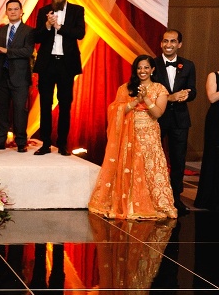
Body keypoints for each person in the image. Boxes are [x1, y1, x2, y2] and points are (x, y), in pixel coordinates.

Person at [88, 55, 177, 219]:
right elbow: (116, 110)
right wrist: (136, 100)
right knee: (130, 165)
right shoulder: (125, 88)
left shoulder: (159, 89)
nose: (142, 71)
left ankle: (157, 204)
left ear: (152, 69)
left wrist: (146, 99)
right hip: (130, 134)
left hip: (149, 133)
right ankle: (128, 204)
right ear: (135, 70)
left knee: (150, 168)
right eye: (139, 68)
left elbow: (158, 113)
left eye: (146, 67)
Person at [33, 0, 86, 156]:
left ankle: (62, 144)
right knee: (45, 104)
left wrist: (59, 27)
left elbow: (80, 33)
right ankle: (46, 143)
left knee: (65, 105)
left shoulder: (77, 10)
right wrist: (48, 25)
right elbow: (36, 37)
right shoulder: (43, 11)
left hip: (66, 65)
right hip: (47, 65)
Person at [153, 29, 196, 213]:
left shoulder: (188, 65)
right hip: (157, 118)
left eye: (172, 41)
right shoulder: (152, 64)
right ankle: (153, 197)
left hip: (180, 119)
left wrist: (186, 95)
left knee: (178, 160)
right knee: (154, 159)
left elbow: (193, 91)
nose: (168, 45)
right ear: (161, 43)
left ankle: (176, 198)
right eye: (165, 41)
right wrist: (170, 97)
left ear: (179, 44)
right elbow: (149, 91)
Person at [0, 0, 35, 153]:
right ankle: (0, 140)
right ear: (6, 12)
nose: (13, 11)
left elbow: (27, 52)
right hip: (1, 76)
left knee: (19, 110)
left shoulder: (28, 31)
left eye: (16, 9)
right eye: (10, 9)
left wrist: (7, 51)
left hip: (20, 78)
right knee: (0, 109)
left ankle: (21, 141)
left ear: (21, 11)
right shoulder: (0, 31)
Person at [194, 70, 219, 210]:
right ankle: (209, 198)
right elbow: (212, 97)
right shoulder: (214, 75)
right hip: (216, 118)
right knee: (213, 156)